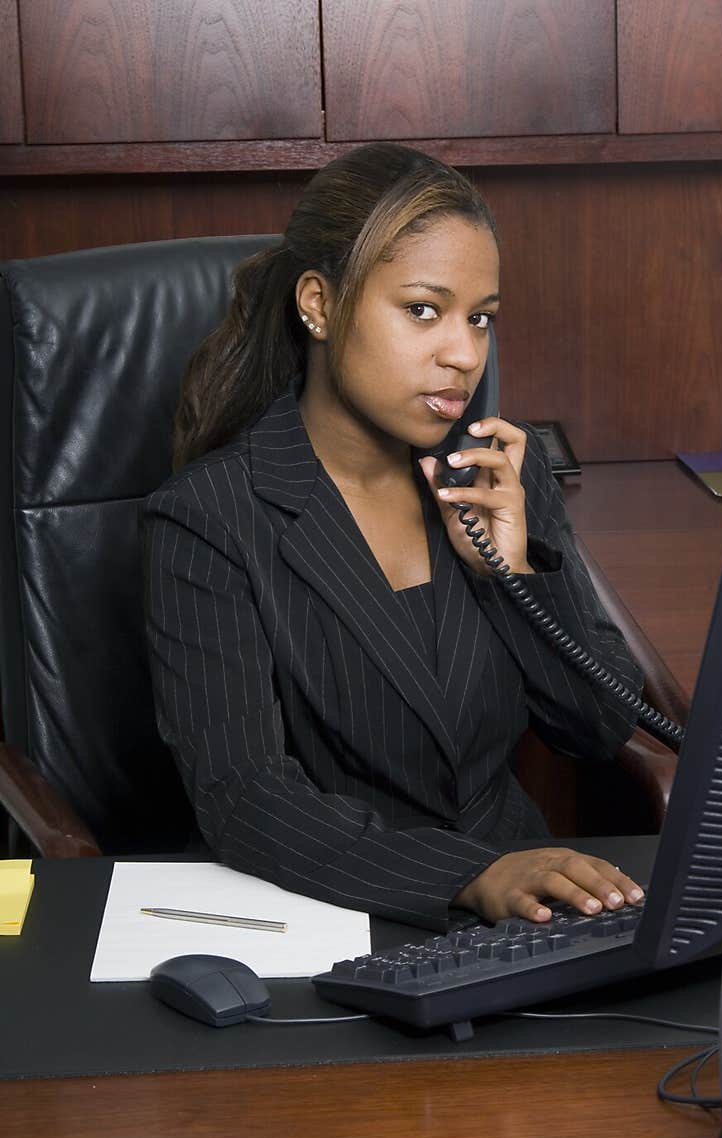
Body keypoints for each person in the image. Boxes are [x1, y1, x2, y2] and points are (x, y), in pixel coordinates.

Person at [142, 141, 646, 932]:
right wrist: (470, 874)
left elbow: (598, 727)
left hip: (532, 915)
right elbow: (245, 799)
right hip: (338, 919)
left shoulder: (498, 472)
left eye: (480, 318)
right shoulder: (208, 520)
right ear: (318, 304)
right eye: (423, 309)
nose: (464, 354)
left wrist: (511, 575)